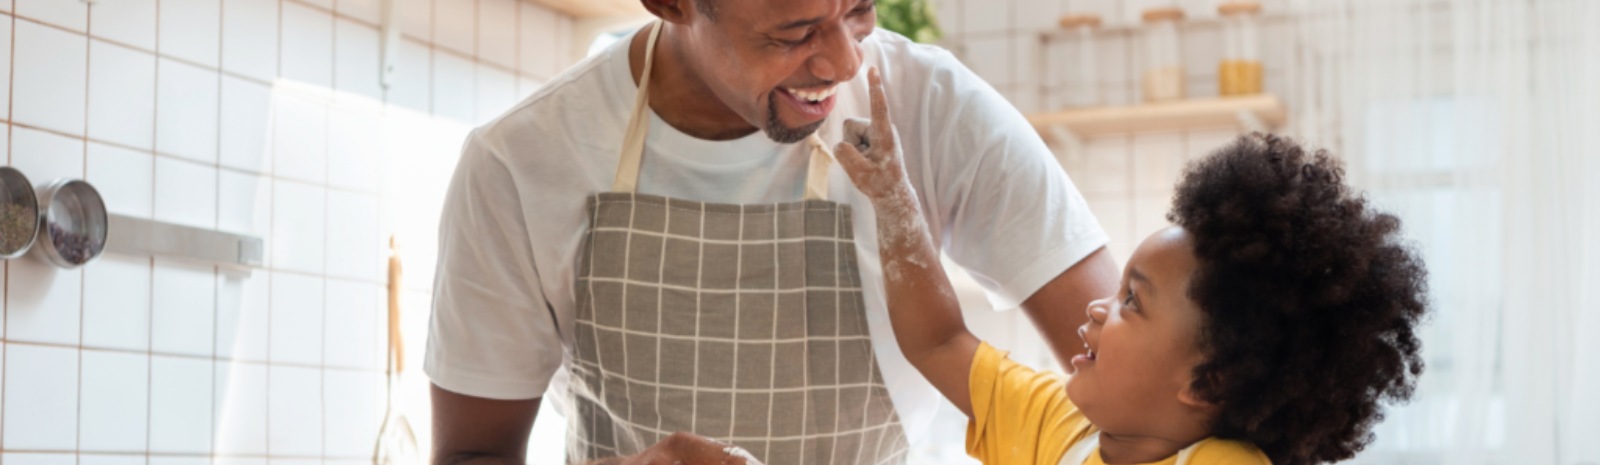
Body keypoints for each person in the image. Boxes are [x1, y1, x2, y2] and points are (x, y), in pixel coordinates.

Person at [423, 0, 1118, 464]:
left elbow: (1141, 387)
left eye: (859, 10)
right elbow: (468, 454)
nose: (846, 63)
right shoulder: (519, 163)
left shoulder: (935, 110)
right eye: (795, 32)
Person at [831, 77, 1431, 465]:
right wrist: (893, 202)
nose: (1098, 306)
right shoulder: (1060, 426)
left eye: (1131, 302)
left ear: (1208, 383)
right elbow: (937, 342)